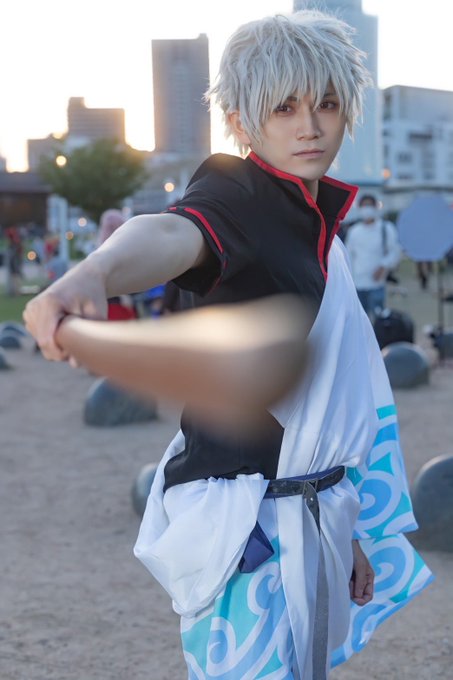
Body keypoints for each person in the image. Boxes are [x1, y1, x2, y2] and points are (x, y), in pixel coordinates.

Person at [23, 10, 432, 679]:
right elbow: (172, 232)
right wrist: (93, 272)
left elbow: (332, 407)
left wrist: (348, 528)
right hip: (245, 537)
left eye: (328, 104)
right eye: (284, 107)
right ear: (242, 121)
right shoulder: (234, 192)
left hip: (314, 517)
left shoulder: (316, 227)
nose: (310, 126)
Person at [345, 194, 401, 319]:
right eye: (364, 206)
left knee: (378, 318)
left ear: (375, 207)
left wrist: (383, 266)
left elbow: (395, 251)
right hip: (357, 283)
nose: (367, 209)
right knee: (359, 318)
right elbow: (348, 256)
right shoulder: (354, 231)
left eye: (369, 205)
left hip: (377, 283)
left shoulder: (386, 228)